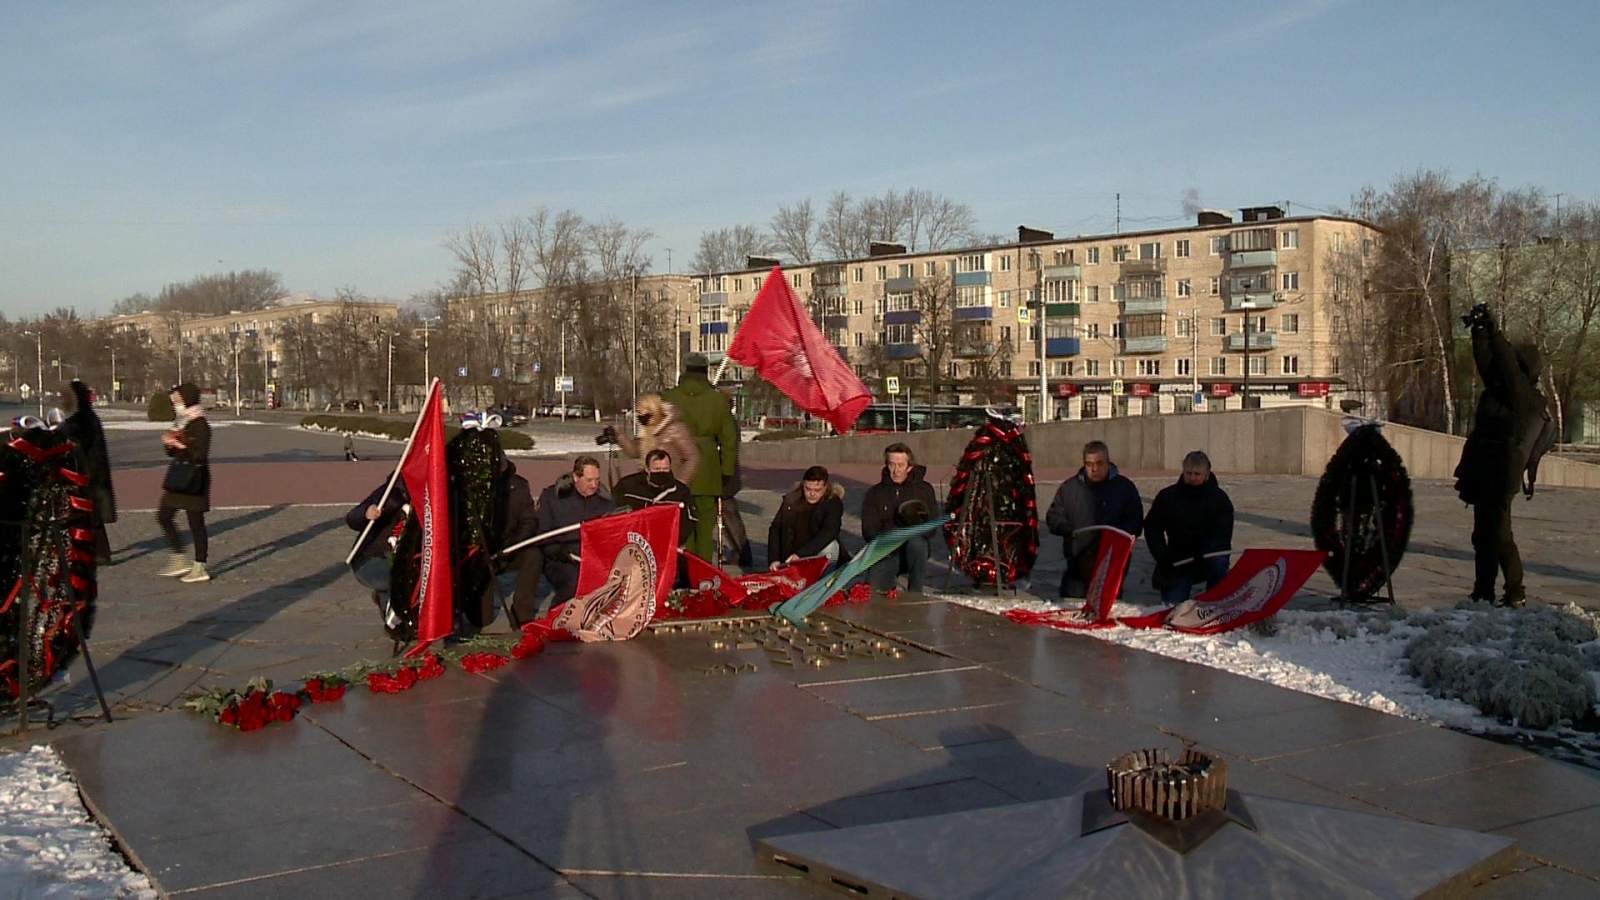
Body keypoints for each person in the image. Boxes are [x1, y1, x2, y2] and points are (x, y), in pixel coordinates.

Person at [1454, 303, 1548, 608]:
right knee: (1482, 535)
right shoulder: (1500, 390)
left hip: (1502, 468)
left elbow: (1506, 368)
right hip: (1485, 466)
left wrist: (1496, 333)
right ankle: (1483, 591)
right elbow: (1488, 365)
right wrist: (1480, 333)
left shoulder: (1524, 396)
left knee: (1498, 534)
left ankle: (1515, 591)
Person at [514, 455, 611, 623]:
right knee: (575, 580)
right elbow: (544, 534)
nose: (594, 485)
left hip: (594, 557)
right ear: (575, 477)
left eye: (597, 480)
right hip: (561, 558)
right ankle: (556, 620)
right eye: (589, 480)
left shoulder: (605, 502)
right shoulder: (553, 497)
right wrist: (561, 553)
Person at [662, 354, 738, 563]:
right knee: (705, 526)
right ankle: (702, 572)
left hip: (676, 466)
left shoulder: (669, 397)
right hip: (708, 469)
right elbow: (729, 440)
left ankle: (681, 570)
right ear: (705, 371)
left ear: (686, 370)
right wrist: (727, 471)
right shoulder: (718, 400)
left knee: (680, 524)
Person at [1045, 440, 1144, 600]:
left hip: (1111, 565)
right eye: (1089, 464)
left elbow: (1135, 519)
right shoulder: (1070, 488)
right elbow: (1054, 516)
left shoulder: (1124, 488)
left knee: (1107, 612)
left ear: (1108, 462)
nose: (1094, 469)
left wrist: (1122, 533)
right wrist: (1066, 528)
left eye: (1099, 463)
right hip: (1078, 564)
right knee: (1072, 611)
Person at [1143, 451, 1234, 606]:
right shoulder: (1168, 497)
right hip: (1179, 559)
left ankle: (1215, 600)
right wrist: (1162, 556)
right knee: (1171, 606)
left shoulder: (1219, 499)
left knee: (1219, 562)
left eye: (1197, 474)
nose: (1192, 478)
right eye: (1189, 473)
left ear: (1206, 474)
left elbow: (1223, 535)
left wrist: (1205, 551)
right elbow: (1152, 527)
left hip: (1208, 556)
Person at [861, 443, 939, 595]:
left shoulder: (924, 490)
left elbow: (932, 526)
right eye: (891, 465)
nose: (895, 471)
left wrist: (915, 523)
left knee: (917, 542)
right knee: (873, 591)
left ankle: (915, 593)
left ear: (909, 467)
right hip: (887, 550)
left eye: (900, 465)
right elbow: (868, 530)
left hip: (914, 550)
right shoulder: (875, 493)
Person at [157, 383, 212, 583]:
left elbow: (200, 454)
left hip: (194, 478)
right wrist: (170, 444)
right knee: (164, 516)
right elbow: (175, 451)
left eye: (178, 401)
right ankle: (179, 557)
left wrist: (180, 443)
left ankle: (200, 566)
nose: (175, 405)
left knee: (196, 523)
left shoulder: (200, 423)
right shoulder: (182, 422)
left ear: (187, 399)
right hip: (179, 476)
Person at [59, 380, 116, 564]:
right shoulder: (89, 415)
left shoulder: (80, 418)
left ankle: (95, 553)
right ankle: (99, 552)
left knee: (87, 514)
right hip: (92, 470)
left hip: (86, 472)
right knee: (91, 515)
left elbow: (69, 434)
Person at [345, 479, 410, 624]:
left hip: (409, 560)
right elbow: (352, 517)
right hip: (372, 558)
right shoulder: (392, 493)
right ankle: (389, 605)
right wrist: (366, 513)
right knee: (394, 579)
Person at [601, 393, 699, 487]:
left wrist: (681, 482)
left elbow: (692, 457)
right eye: (638, 413)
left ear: (654, 411)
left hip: (672, 481)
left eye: (643, 413)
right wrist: (619, 436)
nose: (640, 417)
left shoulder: (675, 428)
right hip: (649, 483)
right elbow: (634, 451)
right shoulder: (646, 431)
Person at [768, 465, 844, 569]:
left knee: (831, 547)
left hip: (815, 550)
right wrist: (774, 559)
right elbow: (776, 528)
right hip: (790, 553)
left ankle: (824, 581)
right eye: (808, 489)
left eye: (817, 490)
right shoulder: (792, 500)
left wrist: (800, 554)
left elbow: (829, 532)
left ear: (825, 487)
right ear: (803, 485)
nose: (812, 494)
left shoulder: (833, 503)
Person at [614, 448, 697, 544]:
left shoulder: (681, 492)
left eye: (665, 469)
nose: (661, 472)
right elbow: (615, 514)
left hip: (668, 544)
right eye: (657, 469)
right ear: (647, 469)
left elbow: (689, 522)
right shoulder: (628, 487)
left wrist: (673, 542)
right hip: (633, 543)